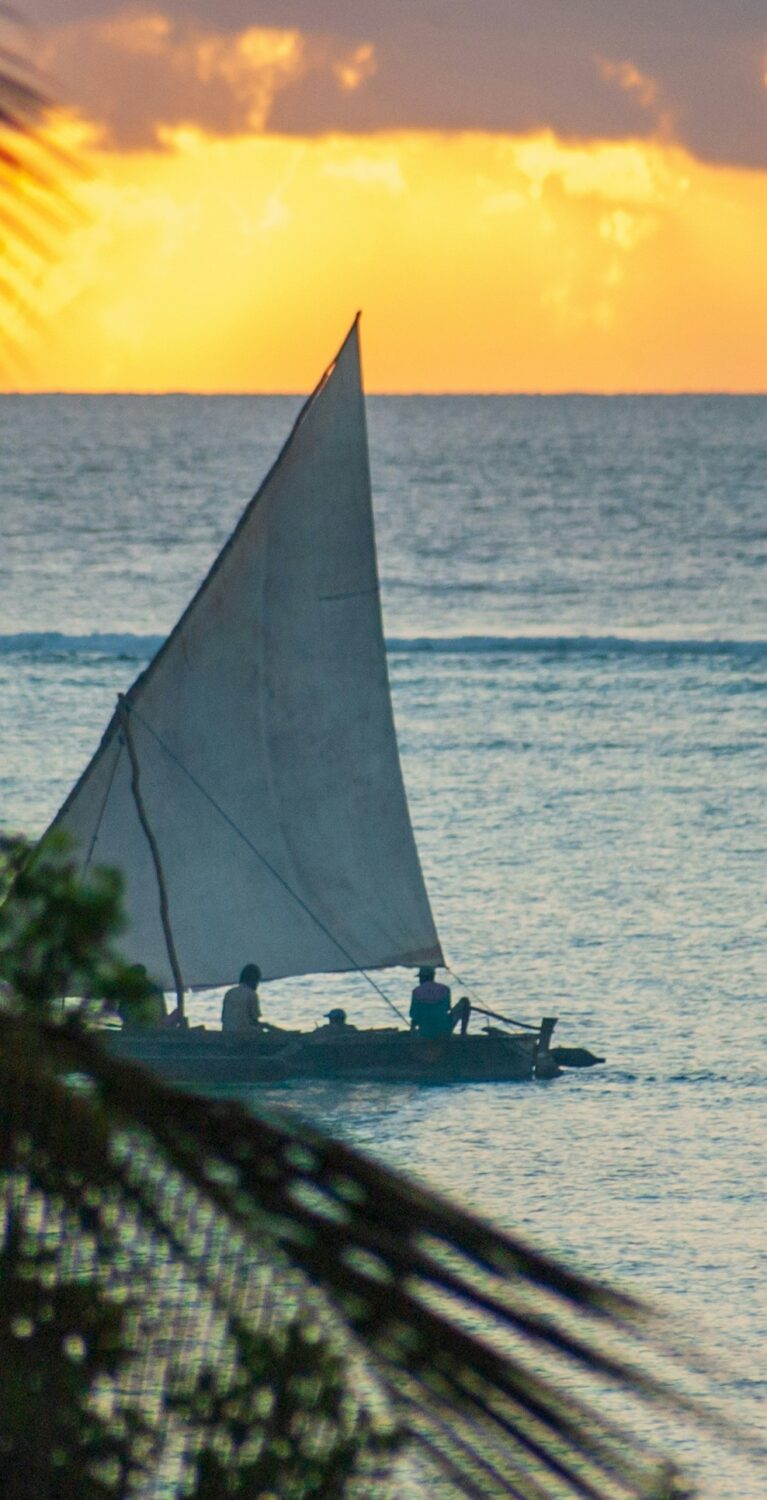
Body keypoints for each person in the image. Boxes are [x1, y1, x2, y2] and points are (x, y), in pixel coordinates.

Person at [409, 966, 471, 1038]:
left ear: (422, 978)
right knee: (465, 1001)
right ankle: (463, 1034)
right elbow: (447, 1008)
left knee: (415, 1020)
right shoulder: (445, 989)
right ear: (433, 976)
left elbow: (412, 1014)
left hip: (425, 1032)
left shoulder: (416, 991)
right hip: (444, 1030)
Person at [221, 963, 264, 1032]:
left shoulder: (229, 993)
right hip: (245, 1035)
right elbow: (254, 1020)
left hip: (227, 1033)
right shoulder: (251, 994)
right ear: (254, 980)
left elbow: (223, 1018)